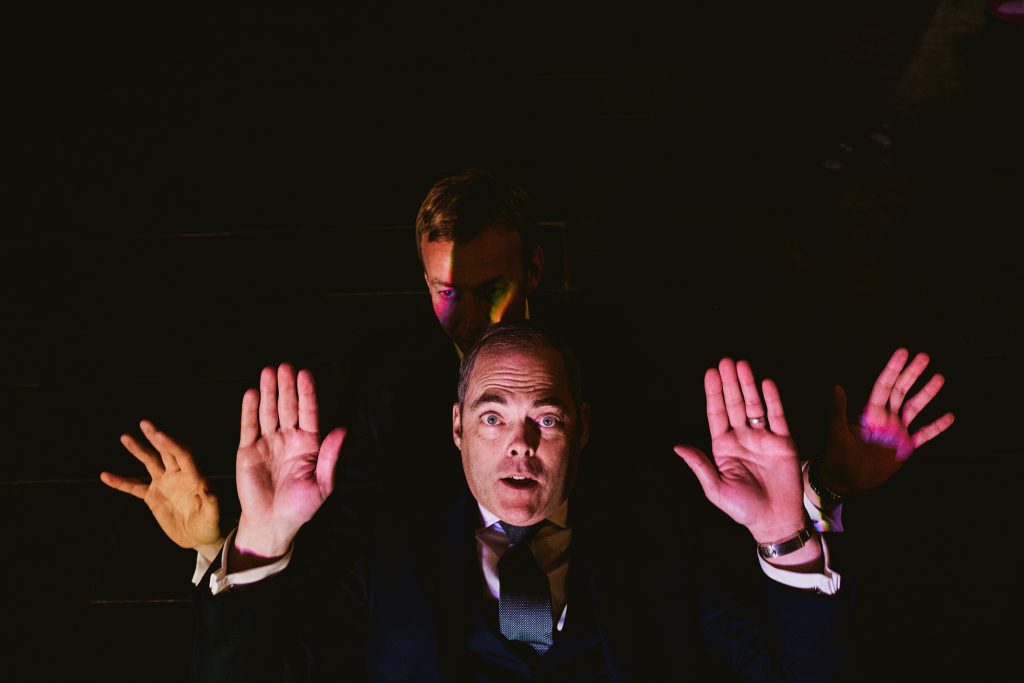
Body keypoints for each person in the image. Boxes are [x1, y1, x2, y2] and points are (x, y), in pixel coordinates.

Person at [100, 169, 954, 560]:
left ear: (538, 274)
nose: (467, 315)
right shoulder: (387, 380)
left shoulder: (622, 355)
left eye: (492, 288)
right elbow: (344, 540)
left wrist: (824, 493)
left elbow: (706, 514)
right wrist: (229, 546)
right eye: (445, 291)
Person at [193, 322, 849, 682]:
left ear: (583, 428)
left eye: (548, 417)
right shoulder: (387, 552)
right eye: (492, 417)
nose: (521, 444)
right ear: (455, 428)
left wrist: (785, 535)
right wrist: (261, 542)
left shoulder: (658, 543)